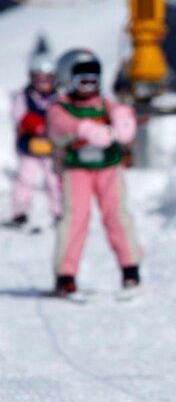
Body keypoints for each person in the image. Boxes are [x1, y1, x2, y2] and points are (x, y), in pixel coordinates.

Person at [46, 48, 142, 296]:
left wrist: (123, 120)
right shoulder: (62, 108)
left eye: (93, 79)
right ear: (68, 79)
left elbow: (122, 114)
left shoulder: (107, 106)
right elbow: (58, 126)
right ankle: (65, 275)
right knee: (75, 218)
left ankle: (130, 270)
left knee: (116, 215)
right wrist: (82, 129)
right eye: (81, 79)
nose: (88, 85)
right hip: (76, 169)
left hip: (108, 168)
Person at [6, 38, 62, 229]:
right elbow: (17, 118)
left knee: (54, 180)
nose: (44, 83)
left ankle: (59, 212)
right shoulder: (23, 97)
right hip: (29, 146)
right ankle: (20, 211)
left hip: (51, 148)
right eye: (39, 79)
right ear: (32, 78)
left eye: (48, 79)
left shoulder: (58, 99)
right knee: (25, 179)